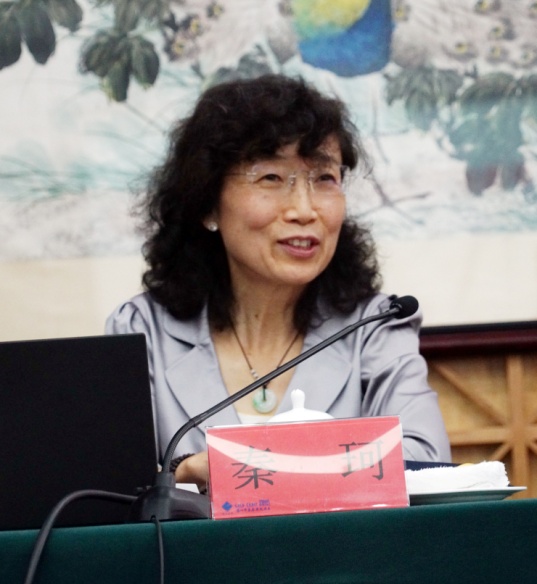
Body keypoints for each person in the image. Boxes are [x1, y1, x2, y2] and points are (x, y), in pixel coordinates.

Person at [106, 74, 451, 492]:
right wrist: (186, 469)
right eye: (270, 177)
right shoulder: (143, 330)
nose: (304, 210)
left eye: (324, 179)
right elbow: (112, 490)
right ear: (208, 203)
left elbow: (425, 466)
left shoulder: (374, 326)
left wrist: (238, 467)